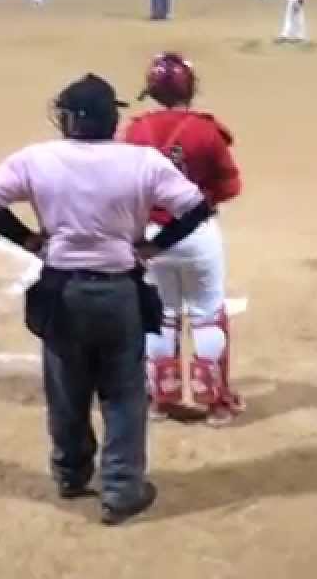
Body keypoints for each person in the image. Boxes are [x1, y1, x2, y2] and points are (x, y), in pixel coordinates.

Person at [0, 73, 213, 525]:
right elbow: (197, 207)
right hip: (120, 290)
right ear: (109, 119)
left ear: (68, 119)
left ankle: (71, 474)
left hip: (62, 290)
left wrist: (26, 238)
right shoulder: (143, 161)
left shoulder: (36, 158)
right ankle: (121, 491)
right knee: (122, 393)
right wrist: (155, 246)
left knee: (66, 389)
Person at [123, 53, 245, 426]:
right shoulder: (206, 131)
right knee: (207, 314)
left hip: (151, 239)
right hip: (197, 235)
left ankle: (162, 399)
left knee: (162, 317)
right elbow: (230, 186)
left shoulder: (134, 131)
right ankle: (215, 404)